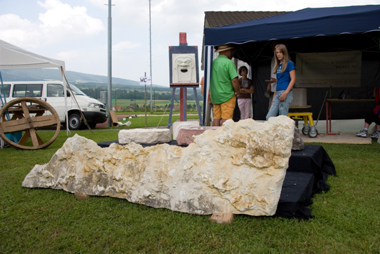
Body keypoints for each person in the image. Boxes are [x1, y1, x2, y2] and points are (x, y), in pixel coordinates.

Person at [210, 44, 240, 126]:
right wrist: (238, 90)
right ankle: (223, 137)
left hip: (215, 96)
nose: (233, 53)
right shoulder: (229, 63)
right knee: (226, 119)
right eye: (232, 51)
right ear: (227, 51)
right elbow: (234, 80)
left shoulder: (213, 63)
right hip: (227, 95)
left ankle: (214, 136)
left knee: (216, 117)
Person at [266, 44, 296, 120]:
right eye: (277, 52)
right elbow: (278, 81)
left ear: (284, 53)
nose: (278, 54)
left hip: (285, 92)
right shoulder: (279, 65)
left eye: (280, 52)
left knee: (282, 118)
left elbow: (293, 79)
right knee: (269, 117)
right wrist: (273, 99)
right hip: (277, 93)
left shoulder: (289, 63)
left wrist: (286, 93)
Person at [265, 41, 278, 110]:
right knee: (271, 107)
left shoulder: (286, 61)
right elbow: (272, 73)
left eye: (274, 46)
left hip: (281, 87)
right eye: (272, 46)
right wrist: (270, 83)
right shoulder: (273, 58)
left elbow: (287, 76)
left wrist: (276, 80)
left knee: (278, 108)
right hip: (273, 87)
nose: (273, 47)